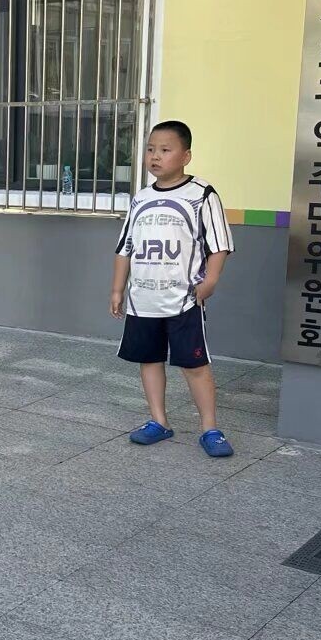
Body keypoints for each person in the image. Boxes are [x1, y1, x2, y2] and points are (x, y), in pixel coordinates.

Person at [109, 120, 235, 458]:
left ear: (185, 156)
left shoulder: (202, 194)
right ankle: (158, 421)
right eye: (151, 149)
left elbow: (219, 244)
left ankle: (210, 429)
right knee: (149, 359)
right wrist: (117, 289)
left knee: (194, 365)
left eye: (165, 150)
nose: (155, 156)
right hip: (143, 300)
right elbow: (125, 247)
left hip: (183, 300)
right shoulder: (141, 198)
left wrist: (210, 281)